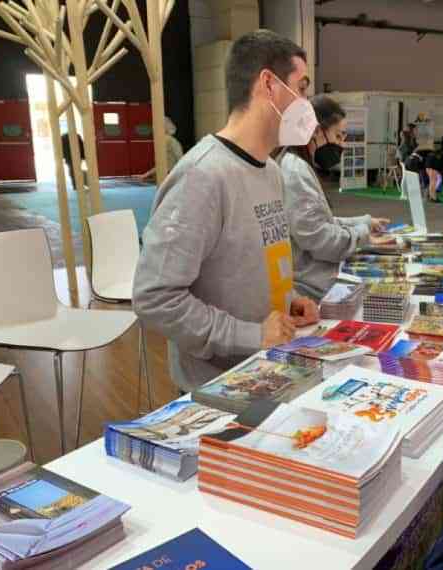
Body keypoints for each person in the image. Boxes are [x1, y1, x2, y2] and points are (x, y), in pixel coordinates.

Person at [133, 30, 320, 392]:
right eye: (302, 86)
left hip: (270, 368)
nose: (306, 101)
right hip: (218, 389)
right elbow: (155, 297)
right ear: (268, 83)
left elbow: (254, 263)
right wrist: (250, 335)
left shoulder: (271, 171)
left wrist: (290, 299)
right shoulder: (202, 177)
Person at [279, 95, 391, 301]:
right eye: (338, 136)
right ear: (316, 132)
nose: (343, 145)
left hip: (317, 280)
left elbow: (321, 222)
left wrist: (364, 222)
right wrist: (363, 232)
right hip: (312, 288)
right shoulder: (295, 171)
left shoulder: (300, 166)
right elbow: (320, 239)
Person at [136, 116, 185, 181]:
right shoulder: (168, 140)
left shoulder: (168, 141)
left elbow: (179, 159)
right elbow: (162, 164)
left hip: (170, 175)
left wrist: (145, 175)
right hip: (169, 175)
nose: (153, 128)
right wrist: (145, 175)